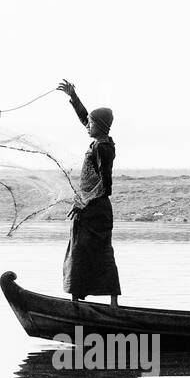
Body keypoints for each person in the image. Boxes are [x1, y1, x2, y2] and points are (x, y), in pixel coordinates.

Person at [56, 79, 120, 306]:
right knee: (79, 251)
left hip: (95, 210)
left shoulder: (103, 148)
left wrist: (85, 203)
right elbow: (86, 119)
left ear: (100, 127)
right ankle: (75, 302)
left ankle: (111, 305)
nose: (87, 126)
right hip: (88, 208)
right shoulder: (99, 141)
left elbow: (106, 185)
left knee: (96, 253)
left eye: (91, 124)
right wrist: (74, 97)